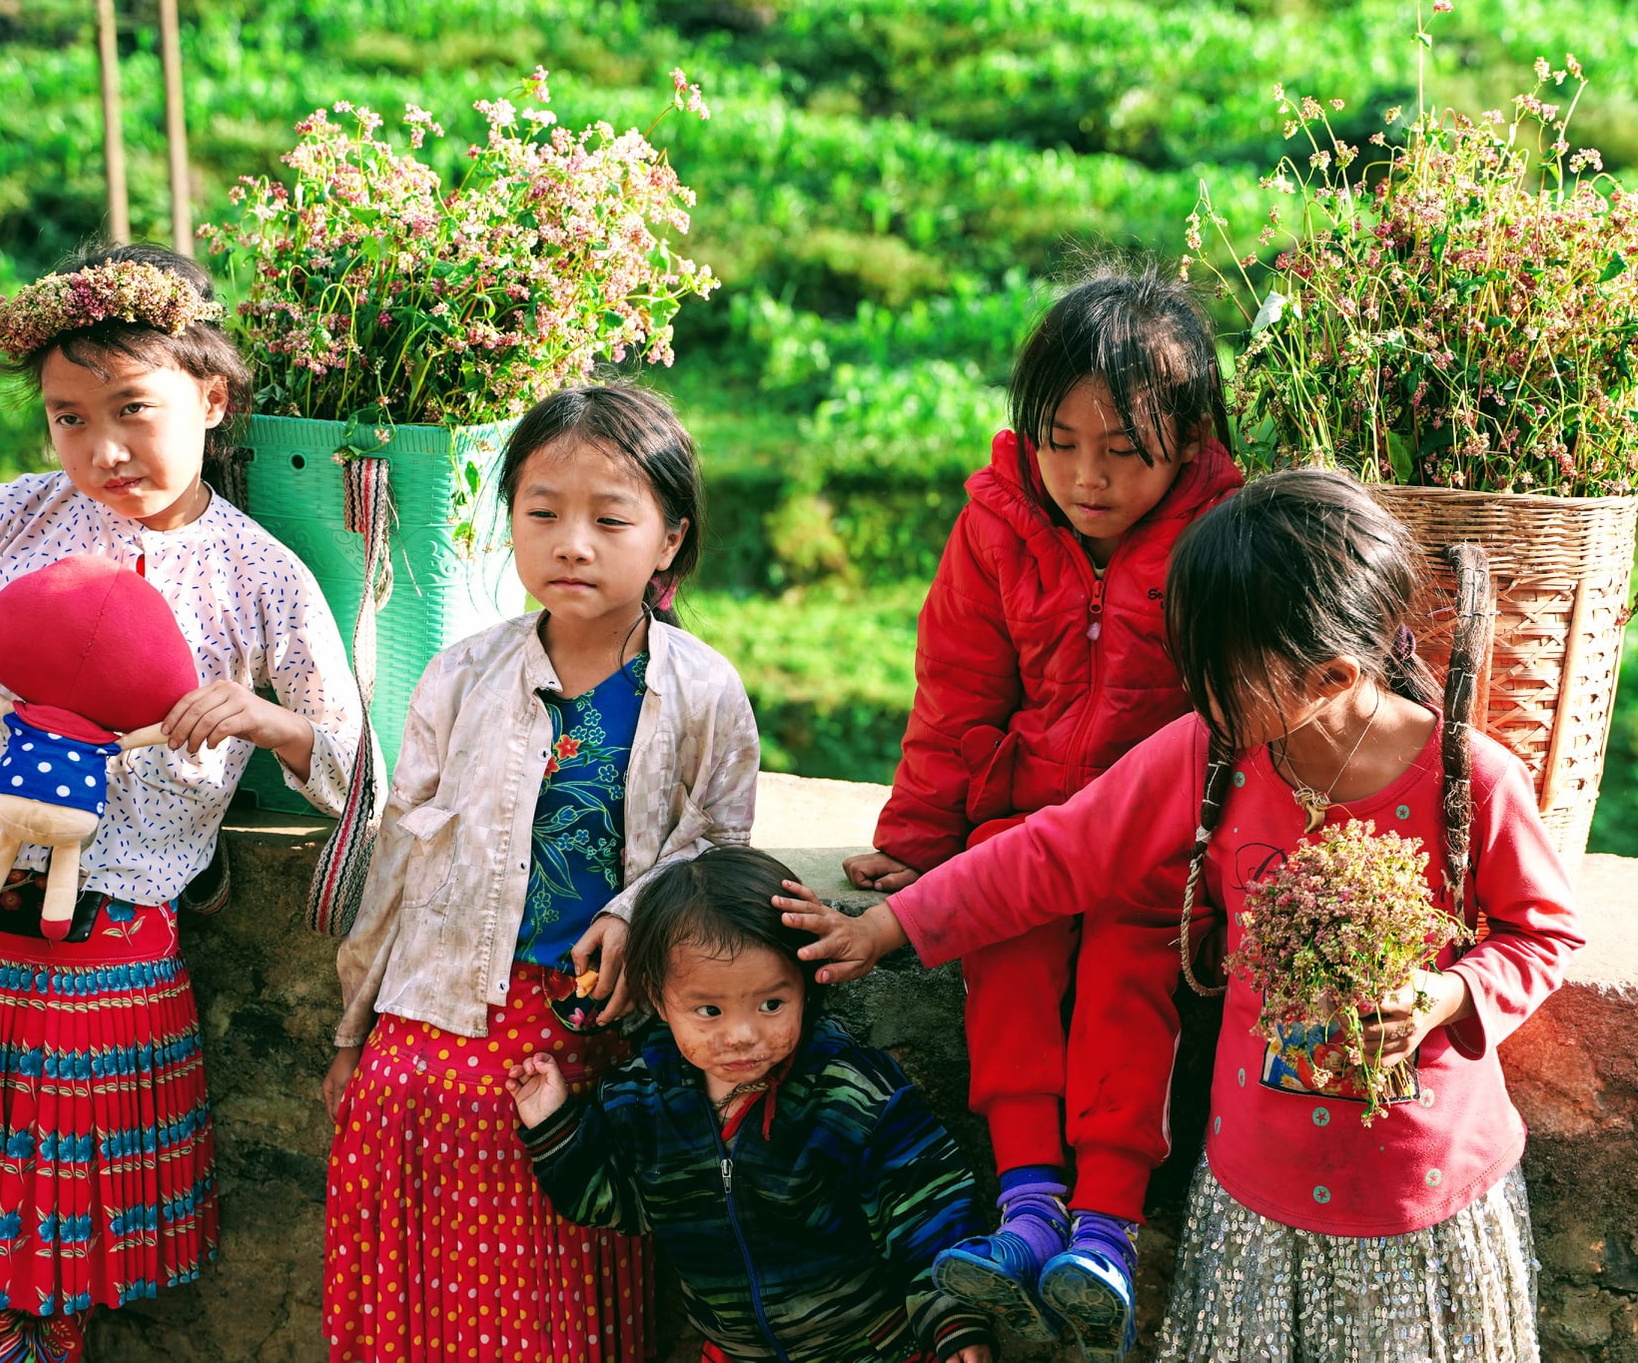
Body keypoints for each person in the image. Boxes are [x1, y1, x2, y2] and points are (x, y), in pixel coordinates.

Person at [778, 470, 1583, 1363]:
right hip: (1255, 1196)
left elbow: (1543, 933)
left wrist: (1446, 994)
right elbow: (1055, 852)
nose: (1198, 692)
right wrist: (888, 928)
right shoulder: (1215, 754)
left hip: (1425, 1198)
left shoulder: (1470, 782)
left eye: (1219, 671)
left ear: (1332, 676)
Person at [0, 243, 366, 1359]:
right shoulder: (13, 520)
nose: (102, 450)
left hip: (101, 951)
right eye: (69, 418)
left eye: (132, 410)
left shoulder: (259, 576)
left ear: (212, 400)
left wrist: (269, 723)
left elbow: (355, 766)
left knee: (45, 1236)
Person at [841, 262, 1240, 1344]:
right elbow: (959, 688)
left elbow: (1241, 707)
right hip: (1020, 825)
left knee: (1129, 959)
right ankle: (1026, 1202)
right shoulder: (997, 526)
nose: (1086, 476)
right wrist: (921, 839)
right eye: (1061, 442)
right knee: (1001, 935)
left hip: (1156, 847)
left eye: (1124, 450)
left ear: (1190, 435)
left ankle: (1105, 1220)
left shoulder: (1223, 540)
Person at [324, 384, 762, 1363]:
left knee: (549, 1318)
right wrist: (352, 1035)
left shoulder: (705, 694)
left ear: (670, 539)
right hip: (430, 1050)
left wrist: (636, 909)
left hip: (591, 1060)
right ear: (509, 524)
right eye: (542, 513)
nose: (572, 542)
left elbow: (720, 857)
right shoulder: (461, 675)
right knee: (420, 1318)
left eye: (611, 519)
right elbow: (399, 856)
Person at [507, 847, 996, 1363]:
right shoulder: (641, 1099)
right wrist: (553, 1127)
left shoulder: (848, 1092)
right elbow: (618, 1206)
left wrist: (955, 1319)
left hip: (873, 1349)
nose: (741, 1036)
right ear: (656, 995)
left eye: (771, 1004)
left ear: (806, 984)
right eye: (709, 1010)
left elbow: (927, 1209)